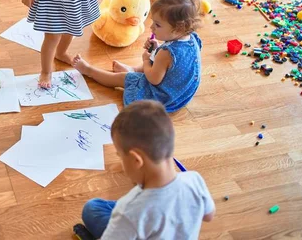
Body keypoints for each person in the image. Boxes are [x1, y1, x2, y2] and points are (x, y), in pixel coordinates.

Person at [81, 100, 215, 239]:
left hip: (133, 218)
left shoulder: (129, 211)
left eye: (120, 156)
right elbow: (208, 215)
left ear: (136, 160)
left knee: (92, 208)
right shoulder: (194, 179)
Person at [72, 0, 202, 113]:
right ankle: (133, 70)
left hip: (163, 97)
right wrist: (156, 50)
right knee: (153, 62)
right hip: (182, 93)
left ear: (178, 28)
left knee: (122, 78)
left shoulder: (166, 53)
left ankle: (89, 70)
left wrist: (146, 60)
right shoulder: (191, 38)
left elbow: (154, 79)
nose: (151, 27)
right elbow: (173, 65)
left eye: (157, 25)